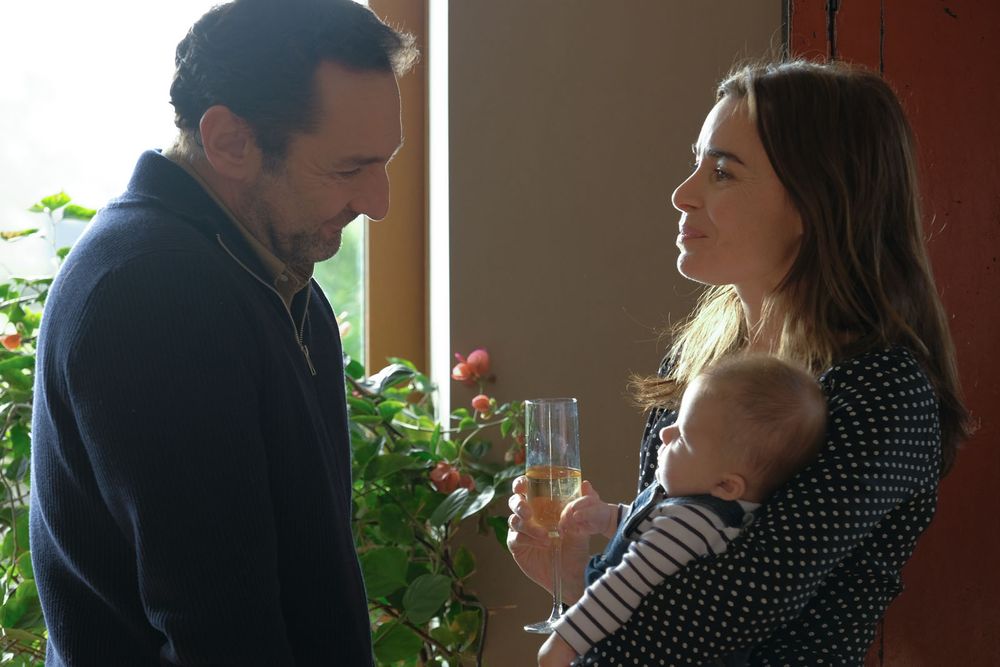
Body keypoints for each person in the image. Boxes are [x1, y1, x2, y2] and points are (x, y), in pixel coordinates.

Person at [507, 59, 971, 666]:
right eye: (697, 163)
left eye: (722, 172)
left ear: (814, 202)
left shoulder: (881, 391)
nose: (682, 194)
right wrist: (573, 574)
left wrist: (577, 624)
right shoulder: (700, 362)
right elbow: (663, 582)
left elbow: (728, 610)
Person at [30, 1, 417, 665]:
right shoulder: (153, 293)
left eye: (384, 164)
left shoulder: (272, 279)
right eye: (348, 169)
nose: (377, 203)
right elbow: (219, 631)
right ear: (230, 141)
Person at [538, 355, 827, 667]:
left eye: (683, 436)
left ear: (727, 485)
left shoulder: (692, 523)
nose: (665, 433)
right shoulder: (698, 516)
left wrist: (563, 642)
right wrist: (608, 517)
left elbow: (625, 584)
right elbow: (650, 532)